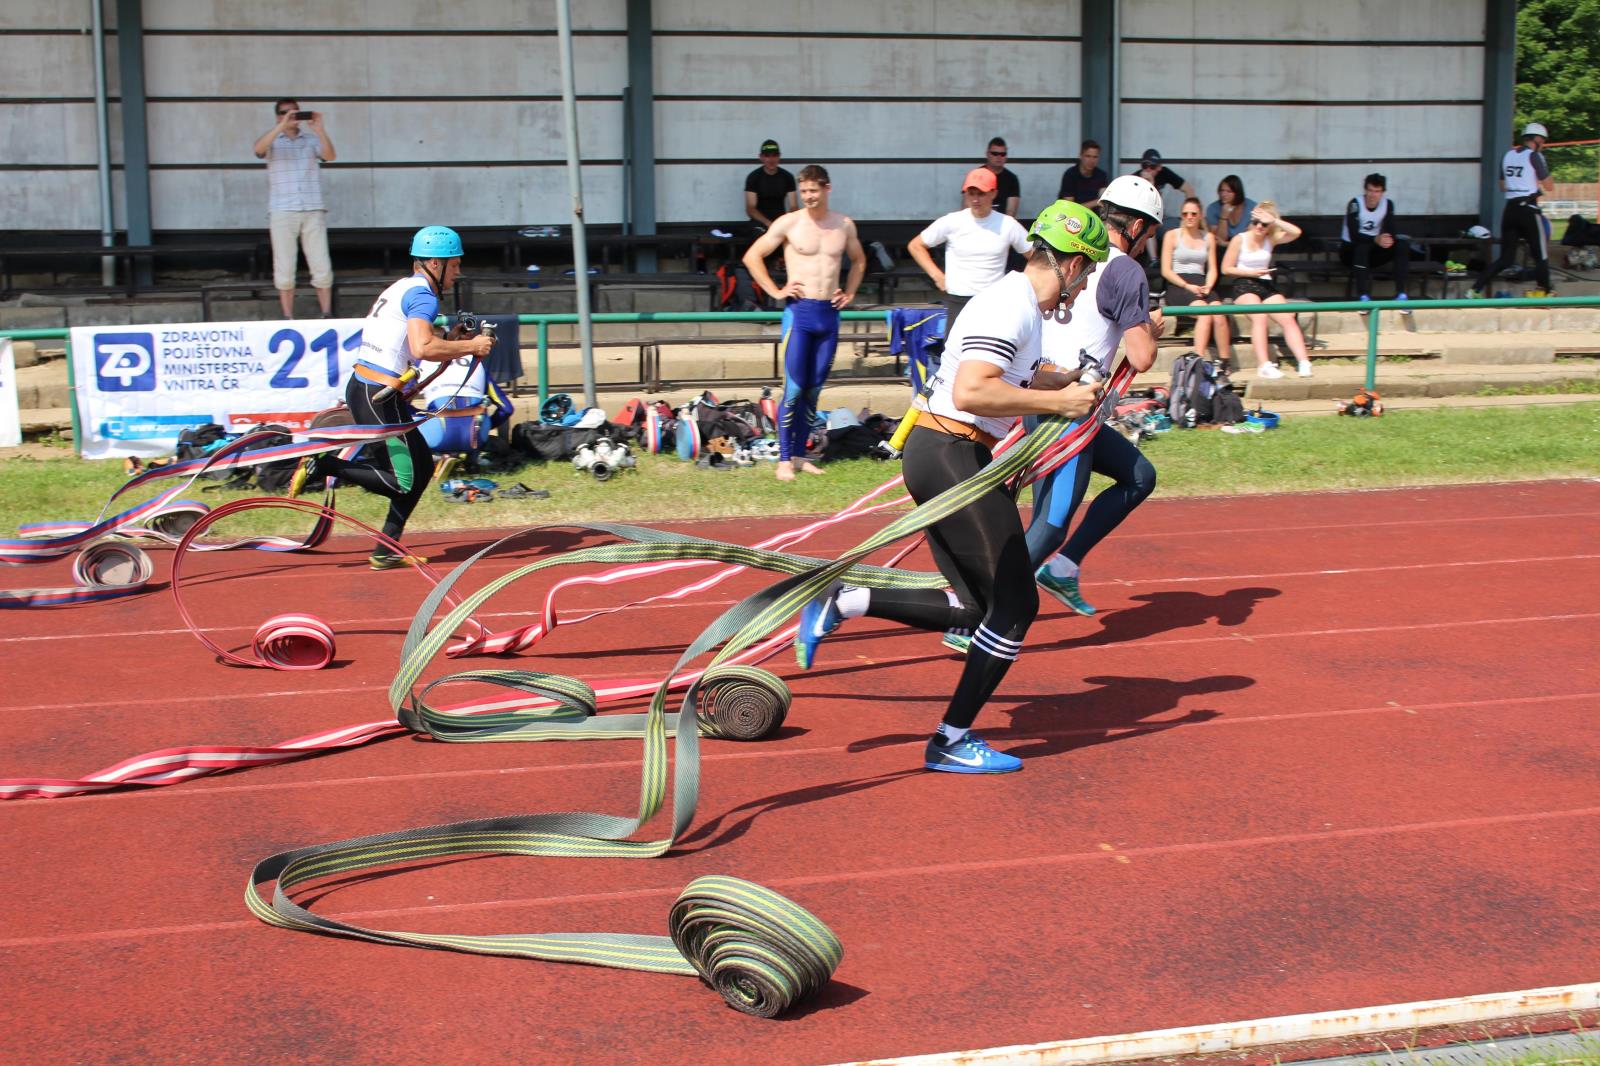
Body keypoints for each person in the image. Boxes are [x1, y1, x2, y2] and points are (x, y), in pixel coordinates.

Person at [793, 200, 1110, 774]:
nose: (1085, 285)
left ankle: (844, 601)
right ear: (1070, 264)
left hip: (946, 453)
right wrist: (1060, 402)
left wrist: (1059, 380)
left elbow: (1007, 373)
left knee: (974, 606)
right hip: (951, 450)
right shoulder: (1013, 305)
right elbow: (972, 390)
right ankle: (951, 739)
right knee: (1016, 605)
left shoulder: (1018, 304)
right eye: (1086, 271)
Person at [287, 227, 495, 569]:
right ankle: (324, 465)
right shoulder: (424, 296)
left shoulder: (404, 287)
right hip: (378, 396)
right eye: (455, 265)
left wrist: (450, 338)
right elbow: (422, 347)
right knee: (403, 481)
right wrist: (472, 346)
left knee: (422, 468)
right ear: (436, 263)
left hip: (372, 390)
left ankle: (385, 550)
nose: (457, 273)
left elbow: (408, 338)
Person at [1026, 176, 1165, 618]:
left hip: (1041, 394)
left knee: (1139, 476)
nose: (1147, 244)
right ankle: (970, 610)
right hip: (1066, 411)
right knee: (1049, 526)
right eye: (1149, 234)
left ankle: (1063, 569)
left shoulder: (1070, 253)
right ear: (1137, 226)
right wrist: (1152, 329)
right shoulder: (1125, 270)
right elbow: (1141, 357)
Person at [742, 165, 868, 481]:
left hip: (829, 315)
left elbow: (859, 260)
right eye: (804, 191)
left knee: (814, 390)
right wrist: (776, 291)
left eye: (813, 190)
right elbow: (752, 257)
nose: (808, 196)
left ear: (827, 188)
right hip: (799, 314)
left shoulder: (843, 224)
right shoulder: (789, 223)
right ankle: (784, 459)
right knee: (795, 389)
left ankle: (800, 455)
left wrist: (850, 292)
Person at [907, 167, 1031, 325]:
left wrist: (1025, 283)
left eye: (981, 194)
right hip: (958, 301)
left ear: (993, 193)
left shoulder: (1008, 224)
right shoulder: (952, 221)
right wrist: (937, 276)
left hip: (993, 302)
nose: (975, 199)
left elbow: (1036, 256)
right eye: (971, 193)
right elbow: (916, 246)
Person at [251, 99, 336, 319]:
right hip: (283, 210)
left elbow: (330, 156)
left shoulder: (311, 139)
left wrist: (320, 130)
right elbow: (258, 149)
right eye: (285, 112)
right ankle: (287, 316)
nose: (291, 115)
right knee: (284, 266)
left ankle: (326, 313)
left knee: (321, 264)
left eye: (295, 112)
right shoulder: (273, 140)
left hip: (312, 207)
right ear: (278, 116)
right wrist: (281, 126)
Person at [1221, 201, 1314, 379]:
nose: (1259, 227)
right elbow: (1226, 268)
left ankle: (1303, 361)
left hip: (1265, 284)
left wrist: (1274, 220)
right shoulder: (1240, 239)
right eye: (1256, 222)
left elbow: (1296, 232)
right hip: (1244, 283)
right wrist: (1250, 273)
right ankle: (1264, 364)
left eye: (1264, 224)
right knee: (1260, 316)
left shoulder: (1270, 239)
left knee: (1287, 317)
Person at [1472, 122, 1555, 298]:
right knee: (1540, 255)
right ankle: (1545, 292)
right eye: (1543, 141)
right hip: (1529, 210)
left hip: (1510, 211)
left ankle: (1475, 289)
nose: (1543, 144)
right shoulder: (1535, 156)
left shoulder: (1508, 155)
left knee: (1505, 259)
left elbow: (1503, 186)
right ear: (1536, 139)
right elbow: (1549, 186)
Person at [1162, 196, 1232, 362]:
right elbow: (1166, 271)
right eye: (1185, 214)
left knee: (1219, 313)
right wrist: (1186, 286)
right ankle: (1198, 360)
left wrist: (1209, 285)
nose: (1189, 217)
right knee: (1205, 313)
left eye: (1193, 214)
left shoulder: (1208, 237)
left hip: (1201, 282)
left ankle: (1225, 361)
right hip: (1178, 284)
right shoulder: (1172, 235)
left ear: (1200, 215)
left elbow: (1212, 268)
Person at [1340, 173, 1411, 312]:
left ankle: (1401, 295)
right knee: (1362, 248)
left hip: (1372, 250)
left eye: (1377, 191)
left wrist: (1387, 239)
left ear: (1382, 192)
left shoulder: (1387, 204)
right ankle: (1363, 297)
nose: (1373, 195)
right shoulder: (1355, 203)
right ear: (1365, 190)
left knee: (1402, 245)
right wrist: (1375, 239)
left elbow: (1391, 230)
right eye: (1370, 190)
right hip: (1350, 252)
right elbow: (1354, 235)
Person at [1133, 148, 1195, 232]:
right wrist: (1149, 183)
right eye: (1145, 166)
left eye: (1152, 166)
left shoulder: (1164, 173)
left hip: (1160, 218)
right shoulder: (1135, 178)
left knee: (1183, 229)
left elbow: (1189, 190)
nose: (1148, 169)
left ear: (1159, 167)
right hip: (1140, 218)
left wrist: (1188, 214)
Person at [743, 139, 797, 232]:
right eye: (767, 156)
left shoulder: (787, 177)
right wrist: (768, 223)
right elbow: (750, 209)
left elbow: (794, 207)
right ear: (761, 157)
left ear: (779, 156)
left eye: (775, 155)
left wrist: (783, 222)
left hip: (781, 222)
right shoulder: (753, 177)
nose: (771, 159)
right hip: (760, 222)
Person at [1206, 175, 1257, 245]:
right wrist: (1223, 217)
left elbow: (1249, 240)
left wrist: (1225, 244)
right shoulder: (1213, 208)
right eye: (1222, 190)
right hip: (1221, 249)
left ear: (1237, 193)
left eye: (1229, 191)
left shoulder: (1252, 207)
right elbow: (1219, 239)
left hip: (1244, 247)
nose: (1223, 194)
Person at [1057, 140, 1109, 208]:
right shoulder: (1070, 175)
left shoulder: (1101, 175)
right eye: (1088, 156)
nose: (1091, 161)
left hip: (1094, 214)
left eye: (1095, 157)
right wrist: (1096, 202)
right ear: (1080, 156)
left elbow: (1105, 201)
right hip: (1072, 214)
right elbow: (1069, 207)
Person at [983, 137, 1021, 217]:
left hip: (1002, 222)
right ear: (987, 154)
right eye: (995, 153)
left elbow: (1011, 212)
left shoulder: (1012, 179)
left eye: (1003, 154)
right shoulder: (975, 176)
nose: (999, 157)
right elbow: (966, 207)